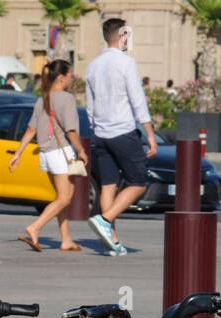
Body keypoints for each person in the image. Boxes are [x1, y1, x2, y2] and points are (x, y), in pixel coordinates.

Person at [85, 17, 157, 256]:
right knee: (138, 182)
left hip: (101, 134)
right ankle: (105, 220)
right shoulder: (126, 63)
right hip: (123, 131)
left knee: (108, 185)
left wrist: (96, 128)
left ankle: (112, 241)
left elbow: (90, 106)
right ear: (123, 35)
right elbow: (137, 101)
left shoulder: (93, 65)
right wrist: (150, 134)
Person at [9, 60, 85, 252]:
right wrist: (81, 150)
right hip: (61, 153)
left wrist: (18, 153)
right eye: (70, 75)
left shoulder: (41, 99)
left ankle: (66, 239)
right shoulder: (66, 98)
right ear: (61, 77)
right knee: (65, 199)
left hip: (46, 154)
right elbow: (71, 130)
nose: (72, 78)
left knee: (61, 198)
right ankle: (35, 227)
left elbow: (30, 130)